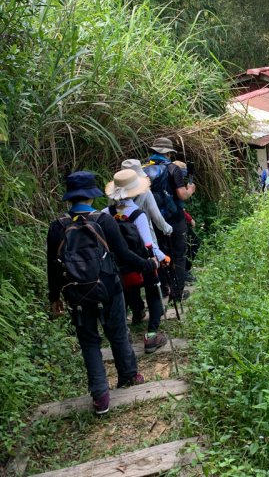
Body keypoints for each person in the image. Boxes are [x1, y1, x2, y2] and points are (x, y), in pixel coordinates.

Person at [47, 171, 158, 415]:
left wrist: (54, 297)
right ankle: (128, 375)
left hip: (76, 293)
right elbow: (124, 254)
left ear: (70, 197)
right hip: (108, 287)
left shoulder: (57, 226)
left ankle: (100, 396)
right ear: (91, 194)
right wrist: (148, 264)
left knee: (89, 342)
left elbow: (53, 266)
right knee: (118, 332)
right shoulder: (104, 220)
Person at [103, 169, 169, 354]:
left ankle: (126, 332)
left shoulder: (104, 214)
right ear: (136, 191)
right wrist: (163, 258)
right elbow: (148, 245)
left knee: (126, 293)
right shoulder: (137, 214)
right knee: (154, 295)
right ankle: (151, 336)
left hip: (118, 267)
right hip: (142, 265)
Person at [146, 137, 195, 302]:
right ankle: (177, 293)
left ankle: (165, 288)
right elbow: (182, 195)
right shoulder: (173, 169)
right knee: (179, 255)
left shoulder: (143, 170)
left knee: (160, 253)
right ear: (167, 153)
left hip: (153, 219)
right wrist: (191, 189)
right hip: (174, 219)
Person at [121, 158, 173, 300]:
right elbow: (156, 216)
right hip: (144, 236)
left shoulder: (115, 195)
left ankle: (137, 308)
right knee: (151, 269)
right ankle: (157, 303)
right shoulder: (145, 192)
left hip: (123, 238)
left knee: (130, 271)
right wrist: (167, 229)